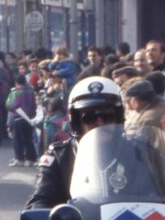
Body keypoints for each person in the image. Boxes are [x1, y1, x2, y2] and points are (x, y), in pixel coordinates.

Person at [27, 77, 126, 210]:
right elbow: (40, 200)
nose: (100, 123)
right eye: (89, 117)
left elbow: (158, 195)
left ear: (119, 118)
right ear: (77, 122)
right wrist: (48, 216)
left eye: (108, 116)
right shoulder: (59, 155)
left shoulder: (138, 153)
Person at [5, 74, 37, 166]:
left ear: (16, 82)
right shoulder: (31, 92)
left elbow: (9, 106)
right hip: (29, 118)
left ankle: (19, 158)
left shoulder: (14, 92)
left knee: (18, 140)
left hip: (18, 118)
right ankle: (30, 159)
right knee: (28, 139)